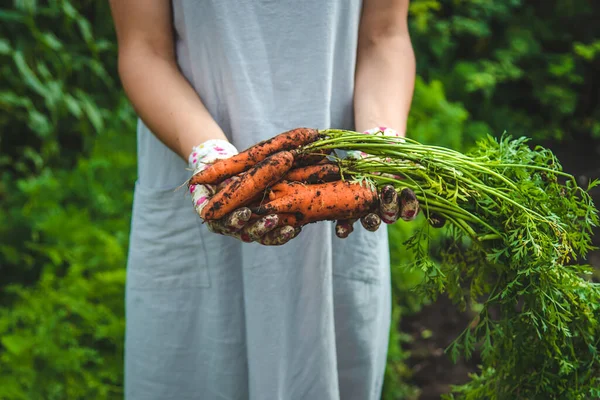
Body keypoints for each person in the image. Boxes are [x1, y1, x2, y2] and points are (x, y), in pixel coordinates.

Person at [108, 1, 417, 399]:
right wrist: (212, 157)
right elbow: (144, 48)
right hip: (193, 160)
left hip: (344, 189)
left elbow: (384, 36)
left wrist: (381, 148)